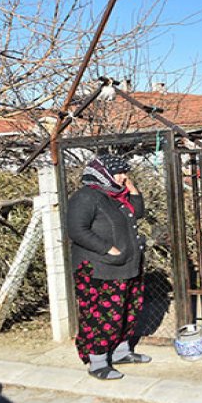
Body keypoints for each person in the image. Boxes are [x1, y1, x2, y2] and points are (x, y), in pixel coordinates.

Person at [66, 155, 151, 380]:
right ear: (102, 173)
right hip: (98, 269)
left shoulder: (116, 196)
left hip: (126, 266)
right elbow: (77, 230)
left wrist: (131, 187)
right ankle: (97, 362)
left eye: (125, 172)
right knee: (103, 316)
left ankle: (122, 352)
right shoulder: (87, 197)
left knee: (126, 311)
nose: (124, 177)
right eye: (120, 173)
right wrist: (108, 248)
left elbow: (138, 212)